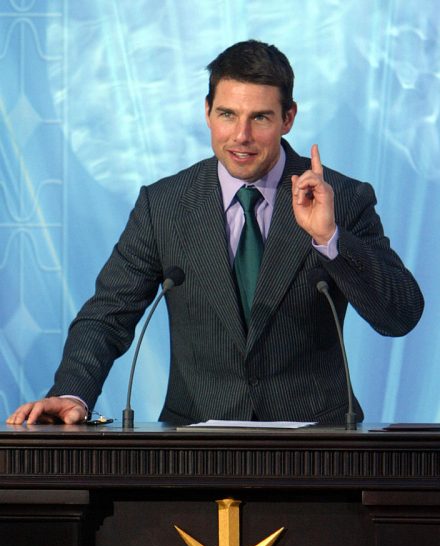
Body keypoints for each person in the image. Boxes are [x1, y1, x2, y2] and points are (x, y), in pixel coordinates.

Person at [7, 40, 423, 426]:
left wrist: (330, 238)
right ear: (207, 112)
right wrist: (73, 394)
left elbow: (399, 315)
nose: (241, 136)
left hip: (318, 448)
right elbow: (108, 315)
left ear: (288, 118)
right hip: (194, 450)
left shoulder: (342, 198)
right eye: (227, 115)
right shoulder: (164, 205)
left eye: (260, 118)